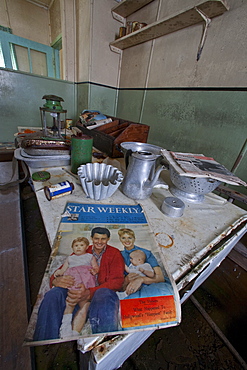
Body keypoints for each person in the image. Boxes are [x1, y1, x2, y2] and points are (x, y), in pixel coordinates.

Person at [33, 227, 125, 340]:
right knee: (53, 294)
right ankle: (45, 341)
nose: (99, 242)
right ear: (91, 238)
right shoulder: (83, 248)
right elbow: (64, 268)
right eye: (96, 238)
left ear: (108, 239)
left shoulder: (114, 253)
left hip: (97, 295)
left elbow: (117, 281)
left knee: (104, 293)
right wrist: (56, 280)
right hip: (76, 291)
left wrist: (89, 293)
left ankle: (104, 340)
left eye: (103, 239)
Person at [53, 236, 99, 338]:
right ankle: (65, 327)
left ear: (86, 247)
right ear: (72, 248)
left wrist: (94, 270)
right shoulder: (70, 258)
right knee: (70, 303)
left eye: (81, 245)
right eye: (76, 246)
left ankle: (75, 332)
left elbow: (95, 267)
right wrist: (58, 272)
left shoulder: (89, 256)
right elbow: (63, 269)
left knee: (85, 305)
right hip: (73, 282)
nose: (78, 247)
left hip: (85, 282)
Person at [118, 228, 173, 299]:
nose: (127, 240)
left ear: (134, 239)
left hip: (150, 285)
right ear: (120, 239)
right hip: (130, 288)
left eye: (129, 238)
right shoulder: (118, 255)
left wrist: (141, 279)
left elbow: (160, 278)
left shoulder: (145, 253)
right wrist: (126, 280)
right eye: (123, 238)